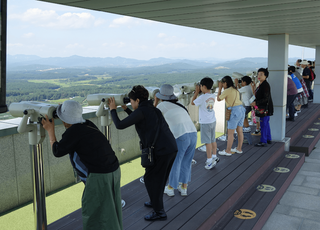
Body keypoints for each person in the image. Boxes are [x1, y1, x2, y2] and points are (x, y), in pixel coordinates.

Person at [41, 100, 122, 230]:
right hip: (114, 170)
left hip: (100, 176)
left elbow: (57, 150)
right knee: (111, 209)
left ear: (66, 120)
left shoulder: (73, 132)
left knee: (94, 213)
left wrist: (51, 130)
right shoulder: (88, 124)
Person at [108, 85, 177, 221]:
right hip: (170, 147)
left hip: (161, 151)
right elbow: (138, 118)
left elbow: (120, 125)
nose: (131, 103)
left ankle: (159, 212)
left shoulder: (142, 111)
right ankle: (155, 202)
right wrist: (126, 108)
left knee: (151, 179)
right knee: (158, 179)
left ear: (138, 100)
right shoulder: (150, 108)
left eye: (132, 101)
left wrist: (112, 110)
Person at [153, 84, 197, 197]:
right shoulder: (179, 104)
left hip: (181, 135)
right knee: (186, 161)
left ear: (161, 96)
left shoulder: (162, 105)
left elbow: (153, 115)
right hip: (193, 133)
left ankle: (171, 187)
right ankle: (184, 188)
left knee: (175, 162)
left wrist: (156, 101)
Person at [191, 77, 220, 168]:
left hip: (205, 122)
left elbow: (192, 103)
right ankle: (214, 156)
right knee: (212, 139)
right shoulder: (213, 96)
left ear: (203, 86)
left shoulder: (202, 97)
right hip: (212, 120)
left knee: (207, 142)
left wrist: (196, 92)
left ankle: (209, 160)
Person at [217, 76, 245, 155]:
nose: (222, 85)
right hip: (241, 110)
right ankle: (239, 149)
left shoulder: (227, 90)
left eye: (223, 84)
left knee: (230, 133)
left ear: (225, 83)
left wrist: (219, 88)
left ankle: (228, 151)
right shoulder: (235, 89)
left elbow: (218, 99)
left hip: (234, 111)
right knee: (240, 131)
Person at [251, 68, 274, 147]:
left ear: (265, 76)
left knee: (263, 124)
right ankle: (268, 138)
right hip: (265, 108)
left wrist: (256, 103)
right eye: (258, 74)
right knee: (266, 123)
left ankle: (263, 141)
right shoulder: (261, 84)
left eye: (261, 74)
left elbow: (265, 98)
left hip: (264, 108)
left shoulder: (265, 85)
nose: (259, 76)